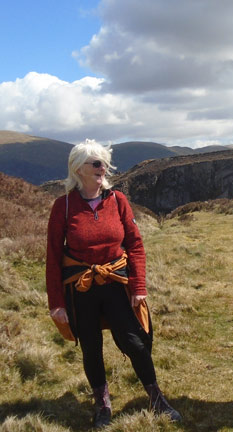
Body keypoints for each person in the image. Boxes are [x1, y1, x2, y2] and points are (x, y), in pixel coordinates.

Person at [46, 139, 181, 428]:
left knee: (135, 341)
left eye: (104, 162)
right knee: (91, 347)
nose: (102, 168)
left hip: (116, 282)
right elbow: (53, 256)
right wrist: (56, 303)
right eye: (95, 163)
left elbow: (135, 244)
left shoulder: (117, 200)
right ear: (78, 168)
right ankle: (102, 404)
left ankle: (156, 397)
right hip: (81, 287)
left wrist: (139, 286)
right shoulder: (63, 206)